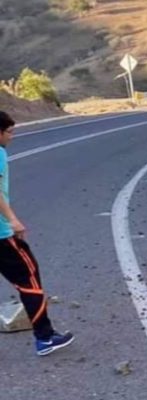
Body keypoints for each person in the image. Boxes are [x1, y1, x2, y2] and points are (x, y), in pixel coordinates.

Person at [0, 111, 73, 356]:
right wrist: (13, 220)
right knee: (29, 280)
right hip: (2, 236)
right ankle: (44, 337)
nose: (12, 137)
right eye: (10, 132)